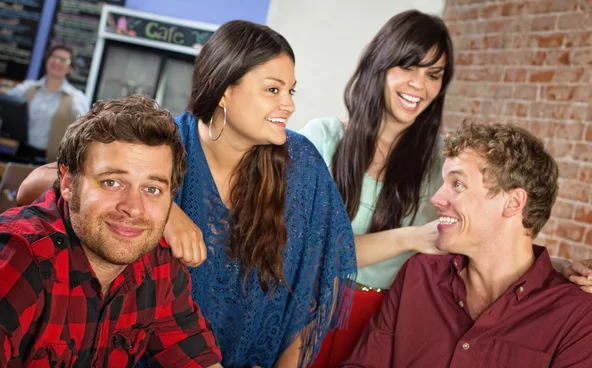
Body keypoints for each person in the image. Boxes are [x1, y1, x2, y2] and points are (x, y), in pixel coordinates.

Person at [15, 21, 357, 368]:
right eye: (273, 90)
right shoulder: (162, 144)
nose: (289, 106)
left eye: (291, 92)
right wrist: (164, 211)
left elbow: (318, 276)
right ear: (224, 89)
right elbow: (33, 187)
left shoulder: (301, 162)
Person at [298, 10, 592, 367]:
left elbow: (492, 234)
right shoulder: (322, 140)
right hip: (311, 307)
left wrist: (564, 269)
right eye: (408, 67)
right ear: (379, 65)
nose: (419, 85)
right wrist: (412, 237)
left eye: (433, 74)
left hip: (388, 314)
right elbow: (296, 252)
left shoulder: (441, 158)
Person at [342, 122, 592, 367]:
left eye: (457, 184)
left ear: (512, 203)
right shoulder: (420, 274)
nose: (436, 198)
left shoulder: (581, 315)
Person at [0, 94, 222, 367]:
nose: (134, 208)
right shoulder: (19, 256)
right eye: (112, 183)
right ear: (68, 183)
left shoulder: (160, 265)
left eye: (151, 189)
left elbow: (196, 358)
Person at [8, 45, 89, 162]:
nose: (57, 62)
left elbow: (83, 134)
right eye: (54, 57)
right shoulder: (27, 88)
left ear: (71, 68)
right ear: (47, 60)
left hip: (51, 162)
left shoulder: (77, 98)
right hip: (20, 152)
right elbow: (6, 103)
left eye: (63, 60)